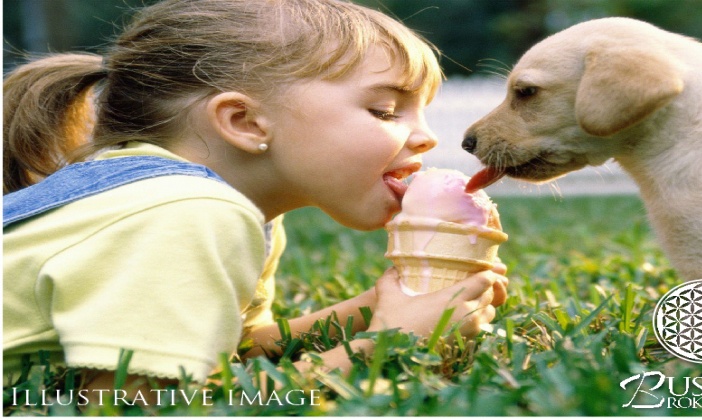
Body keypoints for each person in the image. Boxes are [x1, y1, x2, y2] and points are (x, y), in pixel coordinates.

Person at [3, 0, 508, 400]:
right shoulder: (186, 212)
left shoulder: (221, 208)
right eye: (384, 110)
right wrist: (388, 342)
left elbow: (233, 353)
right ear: (244, 122)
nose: (424, 138)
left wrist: (368, 310)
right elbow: (143, 405)